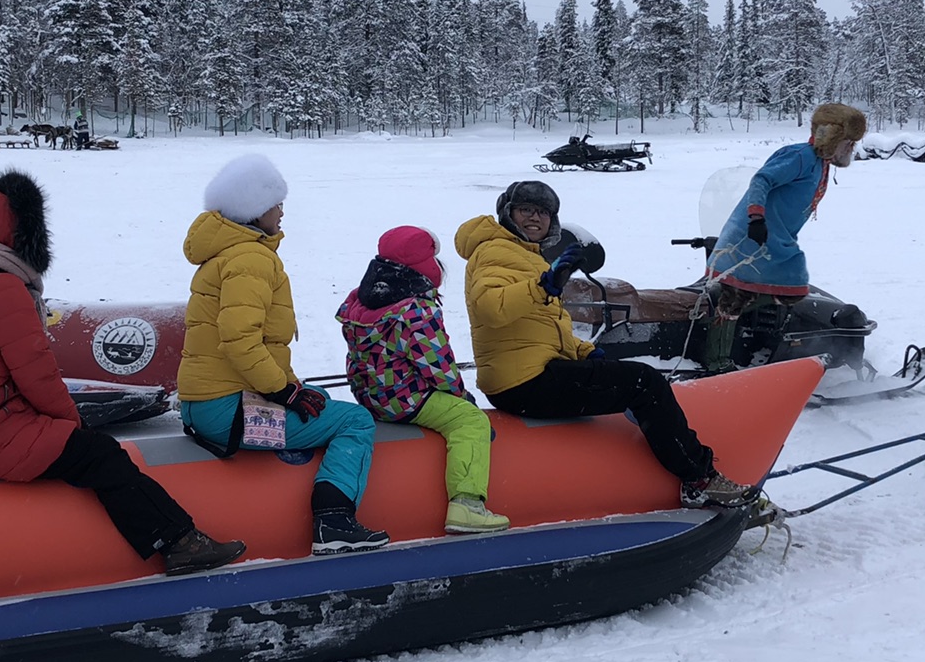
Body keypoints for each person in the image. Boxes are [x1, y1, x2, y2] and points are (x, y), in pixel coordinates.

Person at [0, 169, 245, 574]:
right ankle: (179, 542)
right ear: (17, 233)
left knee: (85, 448)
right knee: (100, 454)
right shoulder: (2, 290)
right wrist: (71, 427)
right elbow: (37, 375)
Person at [455, 179, 752, 509]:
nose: (535, 218)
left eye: (543, 212)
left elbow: (542, 327)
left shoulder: (525, 254)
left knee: (626, 376)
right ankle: (699, 479)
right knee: (645, 382)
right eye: (525, 209)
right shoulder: (495, 251)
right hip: (522, 382)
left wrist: (584, 351)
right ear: (507, 212)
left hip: (529, 371)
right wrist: (543, 286)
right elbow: (490, 307)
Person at [178, 152, 387, 553]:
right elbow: (239, 339)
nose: (281, 212)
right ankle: (334, 520)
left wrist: (289, 387)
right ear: (254, 211)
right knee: (356, 421)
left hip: (204, 402)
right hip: (228, 413)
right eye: (276, 204)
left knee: (322, 400)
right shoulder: (251, 258)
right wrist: (283, 391)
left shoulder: (225, 251)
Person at [336, 226, 509, 535]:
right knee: (470, 421)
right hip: (406, 400)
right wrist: (460, 396)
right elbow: (437, 364)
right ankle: (467, 504)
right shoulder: (416, 310)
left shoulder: (358, 303)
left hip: (372, 397)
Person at [702, 102, 867, 371]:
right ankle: (716, 363)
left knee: (790, 290)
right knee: (735, 299)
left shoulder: (820, 164)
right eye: (848, 142)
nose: (851, 148)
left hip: (776, 241)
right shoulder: (799, 156)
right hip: (751, 237)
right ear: (832, 138)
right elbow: (762, 180)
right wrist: (756, 217)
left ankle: (771, 345)